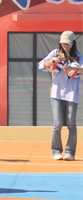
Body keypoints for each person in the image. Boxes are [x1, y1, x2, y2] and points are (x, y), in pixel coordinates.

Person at [38, 30, 82, 161]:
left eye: (67, 43)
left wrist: (72, 69)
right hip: (56, 93)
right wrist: (54, 60)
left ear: (73, 43)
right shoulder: (55, 53)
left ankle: (70, 152)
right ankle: (56, 151)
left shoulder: (78, 56)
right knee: (58, 124)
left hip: (72, 94)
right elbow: (41, 65)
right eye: (63, 42)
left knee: (71, 125)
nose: (65, 45)